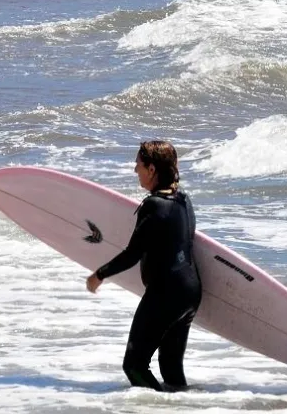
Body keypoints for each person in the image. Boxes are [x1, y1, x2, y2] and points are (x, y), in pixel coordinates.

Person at [86, 140, 202, 391]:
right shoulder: (183, 200)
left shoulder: (153, 205)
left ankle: (158, 410)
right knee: (170, 366)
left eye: (138, 165)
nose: (134, 169)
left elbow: (132, 254)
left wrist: (99, 275)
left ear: (151, 169)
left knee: (134, 365)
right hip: (190, 293)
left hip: (164, 295)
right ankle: (184, 408)